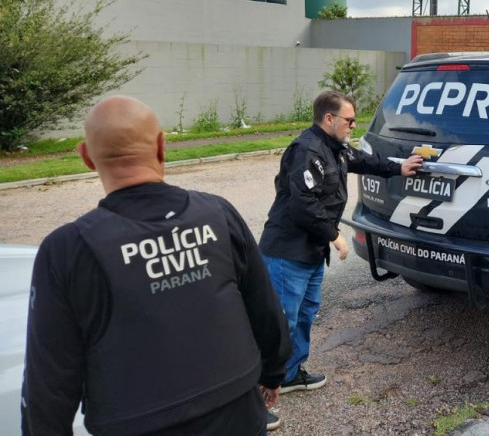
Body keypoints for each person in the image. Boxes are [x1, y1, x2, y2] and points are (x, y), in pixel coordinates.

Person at [21, 96, 291, 435]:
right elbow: (264, 306)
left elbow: (48, 381)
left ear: (86, 157)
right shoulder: (218, 215)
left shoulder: (68, 250)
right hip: (237, 414)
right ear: (162, 146)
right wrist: (272, 372)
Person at [260, 91, 422, 394]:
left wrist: (398, 167)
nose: (353, 125)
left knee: (306, 313)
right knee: (282, 322)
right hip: (287, 253)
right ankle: (260, 388)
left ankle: (290, 374)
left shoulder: (336, 148)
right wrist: (335, 236)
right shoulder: (306, 150)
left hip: (310, 251)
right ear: (329, 118)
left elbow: (364, 160)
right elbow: (303, 205)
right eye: (349, 120)